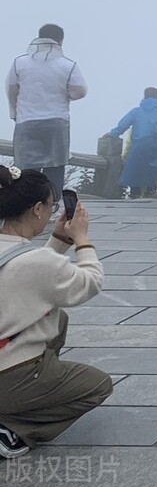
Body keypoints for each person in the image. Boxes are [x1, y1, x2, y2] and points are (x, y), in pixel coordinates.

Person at [0, 166, 112, 457]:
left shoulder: (25, 255)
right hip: (7, 379)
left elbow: (28, 272)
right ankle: (13, 428)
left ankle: (29, 394)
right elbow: (89, 282)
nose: (52, 213)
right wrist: (82, 240)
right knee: (97, 385)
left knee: (56, 319)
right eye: (51, 206)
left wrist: (60, 240)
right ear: (37, 209)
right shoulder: (37, 262)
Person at [5, 25, 88, 199]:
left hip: (26, 120)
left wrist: (14, 112)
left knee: (26, 167)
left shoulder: (19, 62)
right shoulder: (68, 65)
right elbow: (80, 91)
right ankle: (52, 206)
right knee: (55, 165)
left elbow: (12, 89)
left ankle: (26, 205)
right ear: (61, 40)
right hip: (56, 121)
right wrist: (66, 95)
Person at [109, 87, 157, 199]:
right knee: (153, 171)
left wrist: (112, 133)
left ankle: (135, 193)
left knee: (135, 169)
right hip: (155, 147)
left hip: (138, 146)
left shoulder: (136, 112)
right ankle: (151, 192)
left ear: (144, 96)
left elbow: (123, 125)